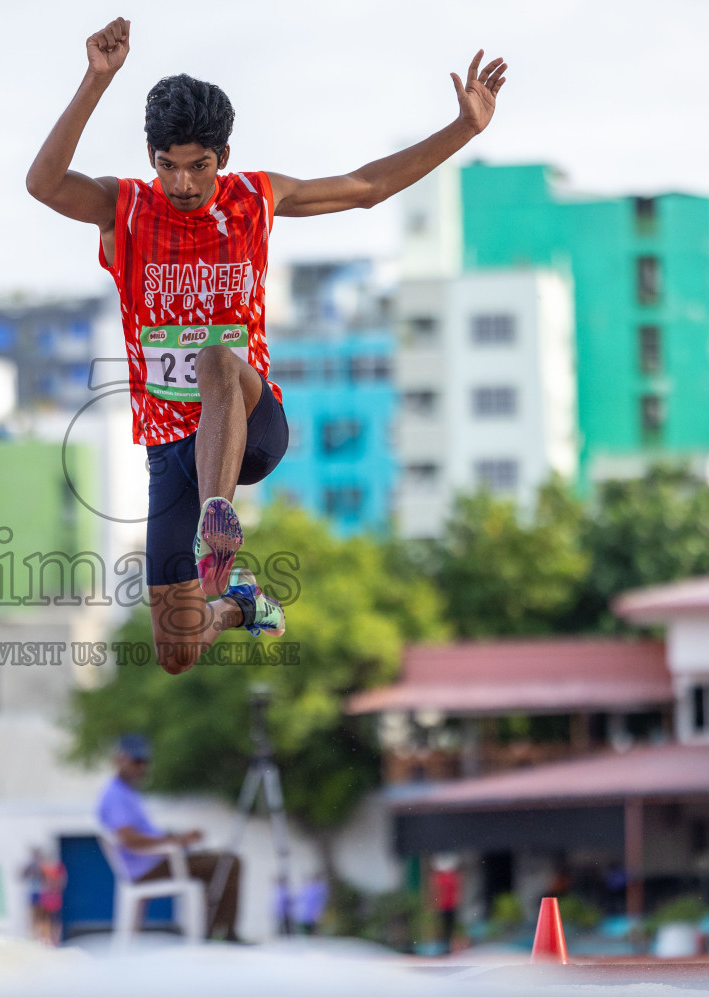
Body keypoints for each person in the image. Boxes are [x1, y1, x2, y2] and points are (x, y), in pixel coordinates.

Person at [27, 18, 507, 675]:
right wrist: (96, 80)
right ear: (150, 157)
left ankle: (217, 520)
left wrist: (465, 128)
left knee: (215, 359)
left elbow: (366, 188)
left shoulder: (255, 197)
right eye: (168, 166)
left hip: (251, 425)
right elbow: (44, 184)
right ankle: (242, 604)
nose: (184, 183)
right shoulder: (127, 208)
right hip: (172, 451)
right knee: (176, 651)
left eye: (198, 166)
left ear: (221, 156)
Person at [97, 734, 242, 940]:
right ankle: (221, 935)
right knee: (228, 862)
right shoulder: (116, 795)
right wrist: (174, 842)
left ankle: (214, 932)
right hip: (148, 868)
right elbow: (129, 839)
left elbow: (145, 835)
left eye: (145, 762)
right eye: (137, 761)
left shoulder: (127, 793)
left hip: (157, 861)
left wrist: (180, 838)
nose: (142, 768)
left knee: (219, 862)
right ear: (119, 760)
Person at [22, 846, 68, 946]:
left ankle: (49, 940)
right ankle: (38, 938)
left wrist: (52, 886)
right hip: (41, 897)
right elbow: (22, 875)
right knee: (40, 919)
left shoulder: (52, 868)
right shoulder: (38, 867)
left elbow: (59, 882)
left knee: (49, 920)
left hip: (47, 898)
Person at [432, 854, 461, 952]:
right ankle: (443, 947)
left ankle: (446, 947)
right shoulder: (443, 877)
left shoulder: (446, 877)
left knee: (447, 928)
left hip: (448, 906)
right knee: (444, 928)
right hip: (444, 906)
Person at [296, 872, 328, 937]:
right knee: (308, 929)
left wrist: (319, 911)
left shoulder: (321, 888)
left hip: (315, 912)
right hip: (307, 913)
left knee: (315, 929)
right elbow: (302, 898)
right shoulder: (309, 887)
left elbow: (322, 901)